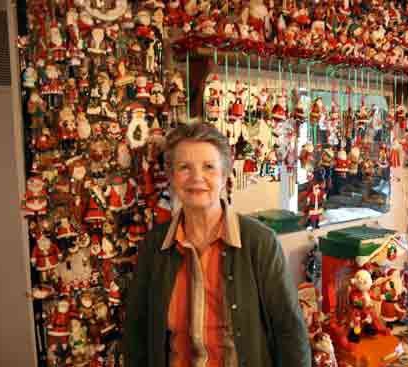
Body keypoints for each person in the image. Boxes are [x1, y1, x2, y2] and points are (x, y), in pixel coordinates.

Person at [124, 122, 311, 367]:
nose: (197, 178)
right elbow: (137, 332)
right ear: (171, 176)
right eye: (184, 167)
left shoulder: (260, 243)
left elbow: (290, 333)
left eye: (209, 167)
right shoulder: (154, 246)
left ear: (224, 176)